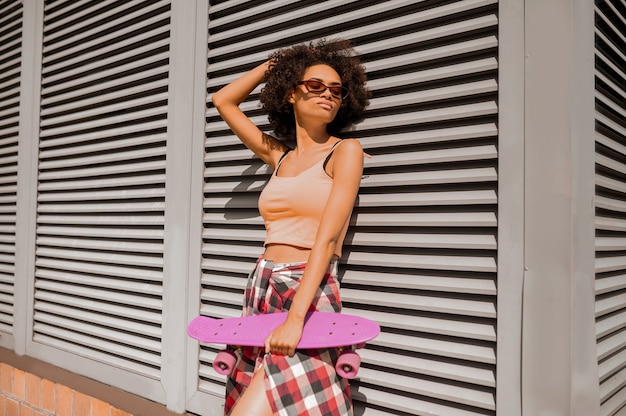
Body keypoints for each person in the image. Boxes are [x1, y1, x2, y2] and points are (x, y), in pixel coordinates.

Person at [211, 38, 369, 416]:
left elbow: (328, 237)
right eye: (314, 85)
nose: (327, 94)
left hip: (306, 289)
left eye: (336, 90)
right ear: (290, 95)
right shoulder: (279, 157)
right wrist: (277, 65)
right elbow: (223, 101)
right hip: (263, 284)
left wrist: (296, 318)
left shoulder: (345, 152)